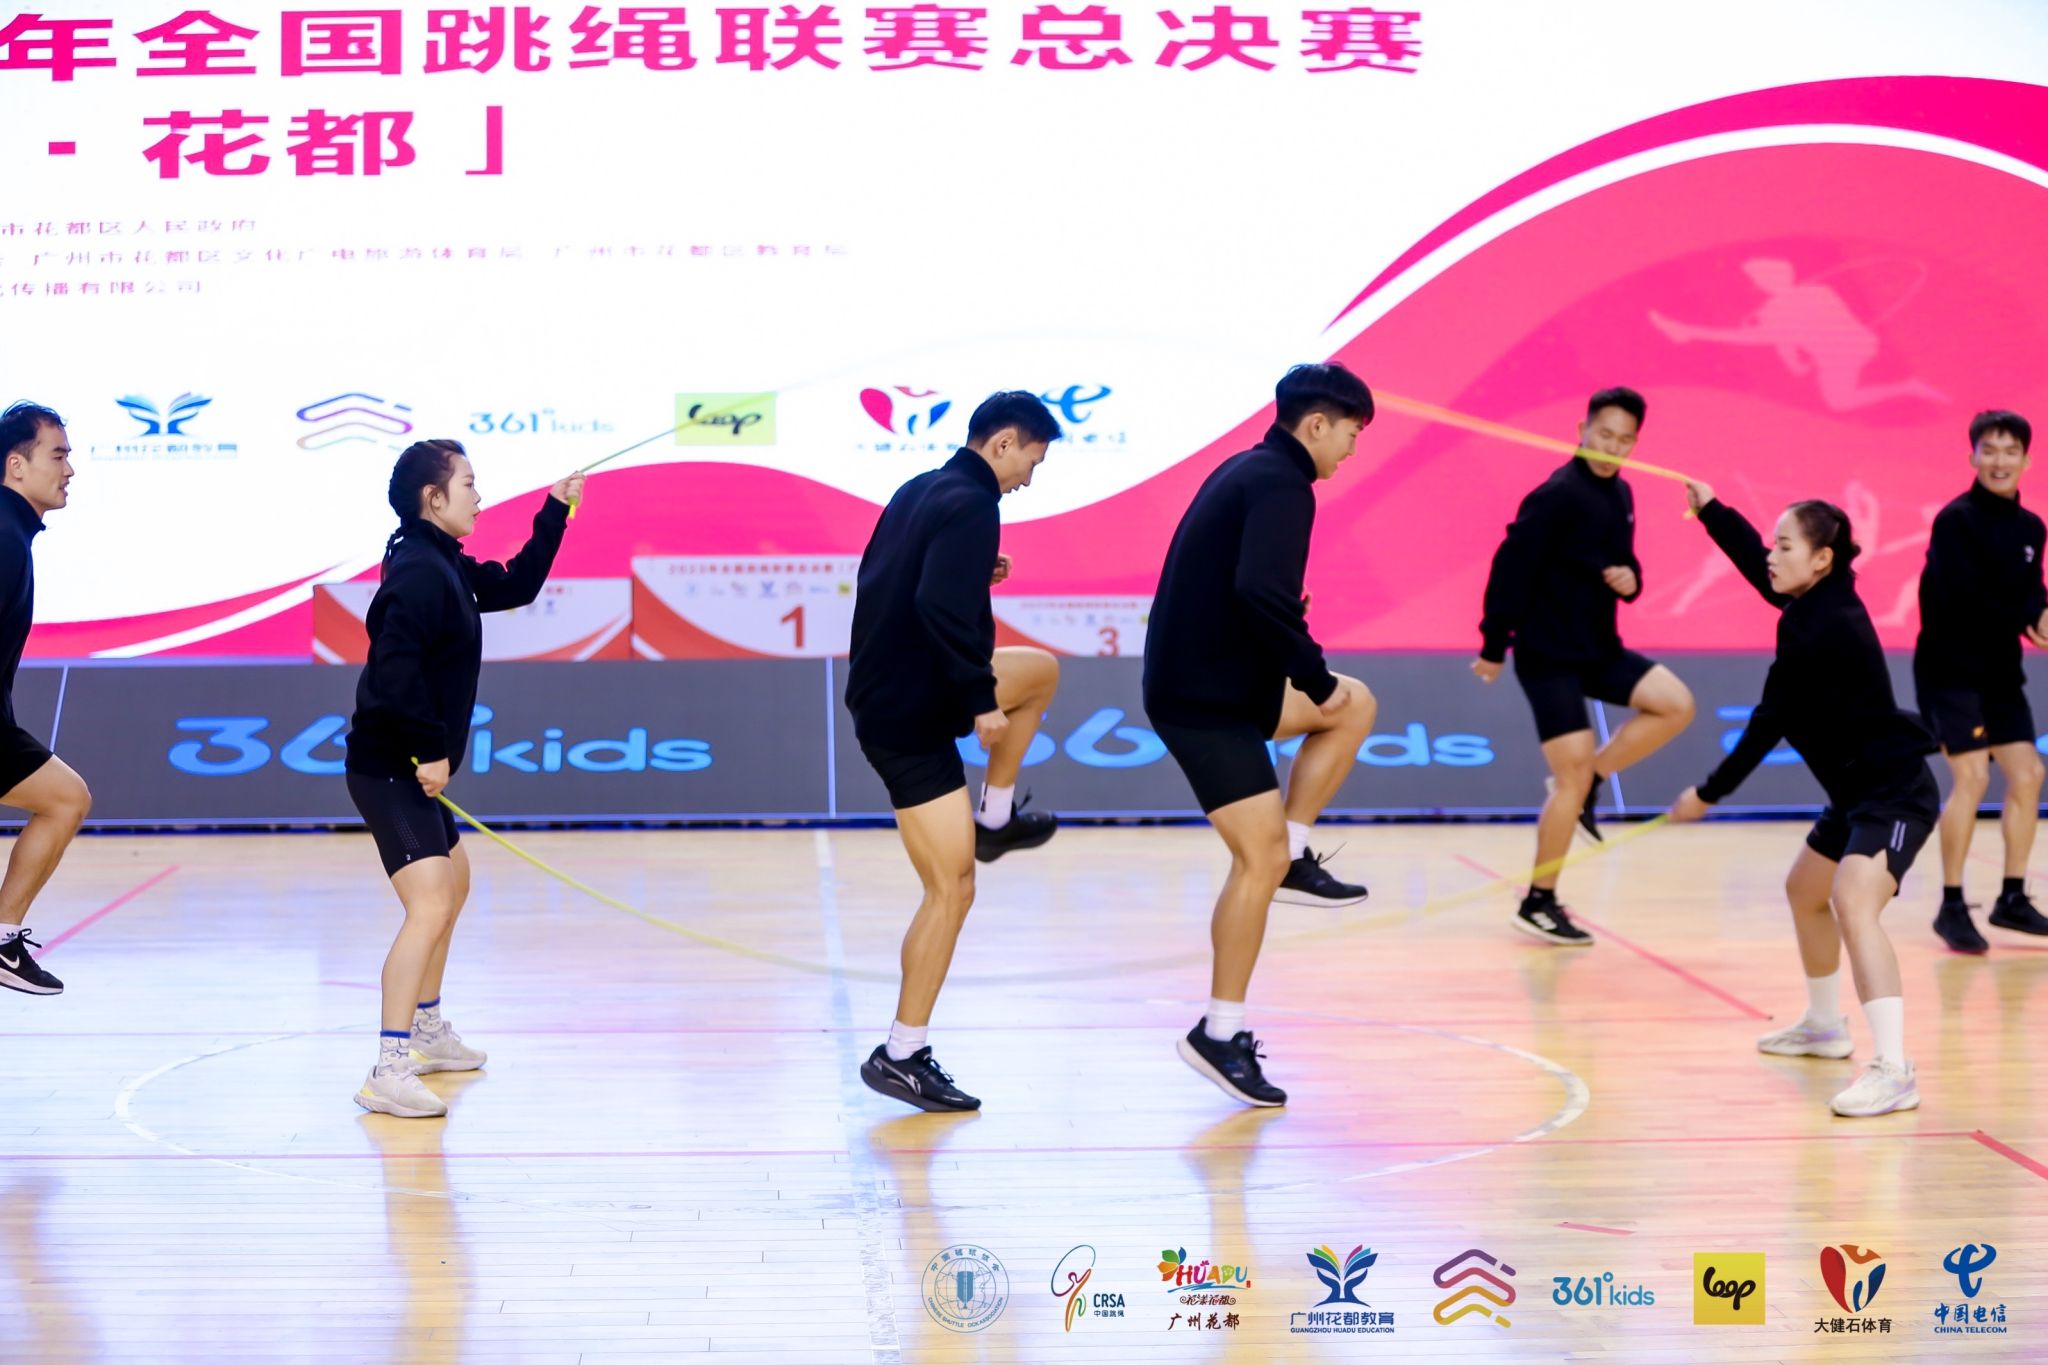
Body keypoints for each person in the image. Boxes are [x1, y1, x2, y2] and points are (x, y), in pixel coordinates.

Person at [1143, 363, 1380, 1108]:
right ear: (1317, 424)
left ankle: (1297, 853)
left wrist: (1306, 662)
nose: (1353, 448)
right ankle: (1220, 1033)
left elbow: (1243, 589)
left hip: (1223, 679)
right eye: (1351, 432)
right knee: (1257, 857)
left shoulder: (1249, 469)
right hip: (1203, 699)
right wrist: (1313, 676)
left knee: (1356, 705)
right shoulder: (1283, 483)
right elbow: (1259, 594)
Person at [1670, 480, 1939, 1118]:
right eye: (1773, 543)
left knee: (1853, 901)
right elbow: (1765, 577)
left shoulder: (1823, 627)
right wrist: (1713, 511)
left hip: (1894, 793)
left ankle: (1894, 1070)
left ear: (1821, 558)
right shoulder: (1817, 601)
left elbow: (1769, 721)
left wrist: (1708, 793)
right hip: (1853, 791)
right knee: (1804, 890)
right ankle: (1823, 1027)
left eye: (1784, 546)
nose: (1771, 555)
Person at [345, 439, 582, 1117]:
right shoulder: (419, 571)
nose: (479, 497)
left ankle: (426, 1029)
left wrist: (555, 511)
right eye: (469, 484)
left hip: (410, 765)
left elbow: (516, 586)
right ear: (434, 497)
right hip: (389, 769)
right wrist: (429, 751)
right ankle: (389, 1067)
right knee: (429, 904)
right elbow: (394, 672)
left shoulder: (440, 558)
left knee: (455, 880)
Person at [849, 392, 1064, 1113]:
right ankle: (901, 1054)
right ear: (1003, 443)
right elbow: (936, 607)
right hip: (910, 714)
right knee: (952, 888)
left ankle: (996, 816)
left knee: (1040, 672)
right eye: (1032, 461)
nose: (1029, 477)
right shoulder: (973, 503)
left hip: (892, 692)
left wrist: (974, 569)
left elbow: (896, 576)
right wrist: (979, 700)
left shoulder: (922, 488)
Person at [1474, 387, 1696, 946]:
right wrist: (1494, 645)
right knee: (1566, 782)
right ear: (1582, 430)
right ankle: (1539, 902)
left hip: (1599, 650)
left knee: (1676, 705)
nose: (1611, 447)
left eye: (1624, 440)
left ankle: (1593, 779)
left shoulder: (1621, 492)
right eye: (1604, 435)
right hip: (1548, 657)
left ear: (1635, 443)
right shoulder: (1556, 495)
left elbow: (1625, 561)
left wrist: (1632, 579)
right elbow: (1510, 567)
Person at [1914, 410, 2048, 952]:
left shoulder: (2032, 528)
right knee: (1971, 777)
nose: (1999, 461)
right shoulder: (1956, 521)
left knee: (2029, 773)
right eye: (1988, 450)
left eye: (2010, 451)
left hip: (1999, 673)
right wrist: (2025, 615)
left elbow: (2031, 587)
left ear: (2026, 460)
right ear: (1972, 457)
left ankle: (2011, 898)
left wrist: (2040, 616)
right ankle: (1951, 905)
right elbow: (1964, 598)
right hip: (1950, 671)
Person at [0, 403, 90, 998]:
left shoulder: (13, 533)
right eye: (57, 456)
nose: (69, 470)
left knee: (65, 798)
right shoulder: (4, 538)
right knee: (65, 799)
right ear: (16, 465)